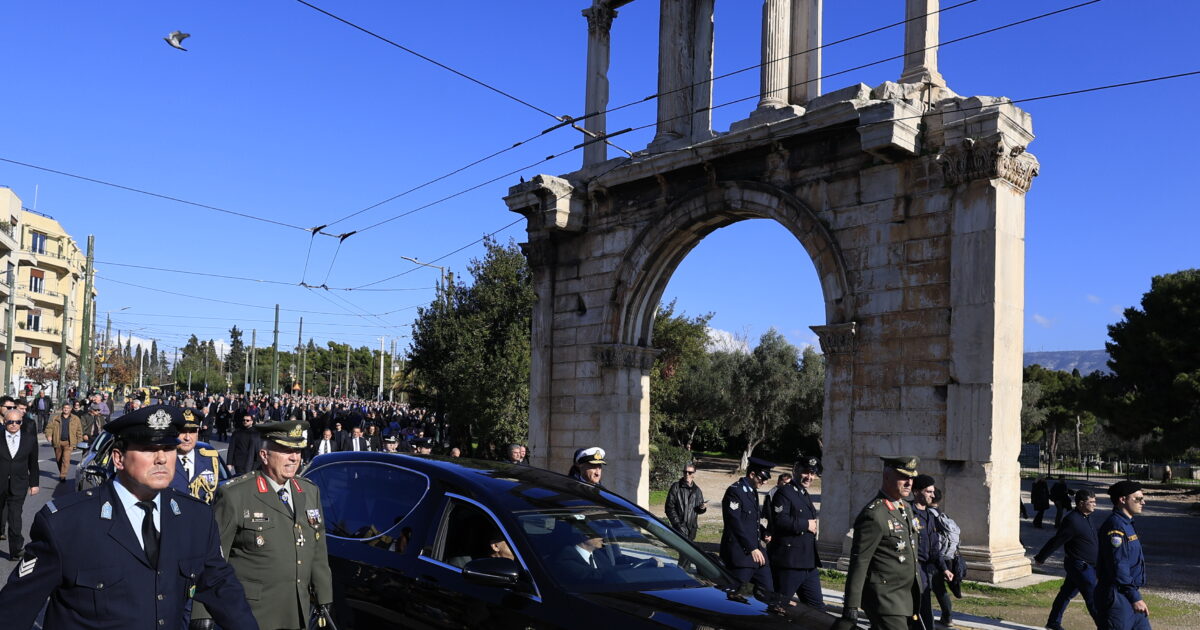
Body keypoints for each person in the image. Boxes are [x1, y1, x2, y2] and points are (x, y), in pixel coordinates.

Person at [0, 405, 258, 630]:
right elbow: (15, 610)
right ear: (119, 458)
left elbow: (222, 589)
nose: (161, 459)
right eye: (148, 449)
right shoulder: (66, 523)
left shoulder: (195, 517)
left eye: (169, 448)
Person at [193, 420, 332, 630]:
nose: (294, 458)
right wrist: (202, 611)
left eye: (297, 451)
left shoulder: (309, 491)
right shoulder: (236, 495)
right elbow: (212, 557)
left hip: (297, 609)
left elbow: (318, 550)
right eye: (285, 450)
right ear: (264, 455)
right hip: (251, 614)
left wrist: (324, 597)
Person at [834, 456, 921, 630]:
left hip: (905, 597)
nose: (909, 483)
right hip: (885, 599)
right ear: (886, 476)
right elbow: (860, 561)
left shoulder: (906, 508)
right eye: (903, 477)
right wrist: (851, 605)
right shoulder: (874, 514)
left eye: (911, 478)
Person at [1035, 488, 1100, 630]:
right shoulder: (1072, 520)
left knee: (1065, 594)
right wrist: (1041, 557)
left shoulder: (1087, 518)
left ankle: (1053, 622)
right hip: (1080, 566)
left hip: (1088, 566)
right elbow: (1057, 540)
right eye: (1092, 502)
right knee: (1093, 599)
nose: (1095, 504)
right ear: (1081, 503)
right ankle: (1105, 626)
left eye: (1095, 502)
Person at [1095, 480, 1151, 630]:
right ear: (1122, 499)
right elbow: (1118, 565)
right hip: (1117, 597)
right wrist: (1134, 597)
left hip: (1128, 593)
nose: (1143, 502)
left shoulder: (1127, 524)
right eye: (1138, 499)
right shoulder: (1116, 526)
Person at [769, 456, 823, 609]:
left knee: (817, 609)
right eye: (806, 472)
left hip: (808, 563)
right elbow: (779, 520)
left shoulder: (803, 494)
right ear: (796, 471)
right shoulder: (784, 493)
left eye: (813, 473)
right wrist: (806, 524)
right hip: (790, 563)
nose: (809, 477)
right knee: (778, 607)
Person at [720, 456, 775, 593]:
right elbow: (734, 522)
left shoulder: (752, 492)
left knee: (768, 593)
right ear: (752, 474)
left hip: (757, 554)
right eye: (762, 478)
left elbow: (752, 521)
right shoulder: (735, 491)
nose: (765, 482)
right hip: (741, 555)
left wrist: (763, 532)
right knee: (735, 596)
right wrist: (751, 548)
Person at [910, 474, 954, 630]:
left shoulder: (930, 516)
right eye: (928, 492)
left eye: (933, 491)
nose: (933, 495)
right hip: (911, 570)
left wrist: (944, 569)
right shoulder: (907, 513)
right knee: (916, 612)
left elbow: (935, 548)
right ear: (916, 492)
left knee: (925, 611)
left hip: (926, 570)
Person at [1, 408, 39, 560]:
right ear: (5, 422)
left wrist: (34, 483)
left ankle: (16, 550)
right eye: (10, 422)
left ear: (21, 422)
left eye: (17, 422)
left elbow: (33, 464)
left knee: (15, 517)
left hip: (19, 484)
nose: (14, 425)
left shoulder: (29, 439)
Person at [928, 488, 963, 628]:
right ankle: (947, 618)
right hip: (946, 558)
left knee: (926, 589)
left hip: (934, 558)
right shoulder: (943, 514)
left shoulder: (928, 515)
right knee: (939, 588)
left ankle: (925, 619)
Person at [171, 409, 222, 504]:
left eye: (192, 431)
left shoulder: (210, 460)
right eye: (182, 431)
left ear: (198, 432)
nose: (187, 437)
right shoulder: (164, 461)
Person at [665, 462, 706, 540]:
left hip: (692, 529)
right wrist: (677, 524)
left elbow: (698, 510)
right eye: (685, 472)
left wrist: (702, 508)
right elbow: (669, 507)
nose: (687, 474)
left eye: (690, 472)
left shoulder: (697, 490)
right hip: (679, 527)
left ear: (694, 474)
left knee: (688, 551)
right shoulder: (676, 487)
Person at [44, 403, 83, 482]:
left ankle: (63, 476)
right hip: (57, 442)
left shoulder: (75, 419)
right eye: (64, 408)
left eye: (68, 408)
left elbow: (79, 430)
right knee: (59, 459)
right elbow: (49, 428)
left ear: (70, 409)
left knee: (66, 459)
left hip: (69, 442)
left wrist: (79, 441)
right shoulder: (55, 418)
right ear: (62, 409)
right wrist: (48, 435)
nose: (66, 409)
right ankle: (62, 471)